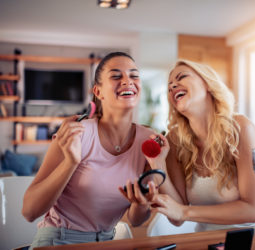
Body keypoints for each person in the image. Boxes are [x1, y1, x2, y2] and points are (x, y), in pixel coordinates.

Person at [22, 52, 156, 248]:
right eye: (116, 76)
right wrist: (71, 162)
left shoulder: (147, 140)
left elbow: (136, 220)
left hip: (106, 243)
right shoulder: (76, 133)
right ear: (98, 92)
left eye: (134, 75)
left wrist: (143, 203)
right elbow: (29, 211)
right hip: (58, 240)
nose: (128, 81)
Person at [146, 59, 255, 232]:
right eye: (170, 86)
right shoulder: (175, 140)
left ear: (208, 84)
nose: (173, 87)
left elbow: (254, 210)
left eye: (182, 77)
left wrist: (185, 212)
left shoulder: (240, 129)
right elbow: (176, 217)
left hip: (247, 241)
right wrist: (158, 165)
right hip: (204, 241)